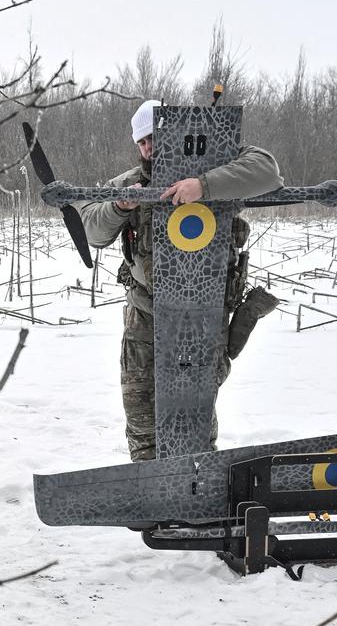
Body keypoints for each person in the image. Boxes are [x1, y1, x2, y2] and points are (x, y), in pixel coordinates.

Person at [79, 98, 285, 461]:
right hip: (146, 317)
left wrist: (204, 186)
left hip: (202, 318)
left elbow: (268, 172)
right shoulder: (130, 183)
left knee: (195, 416)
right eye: (141, 142)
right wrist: (120, 206)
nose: (148, 147)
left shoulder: (220, 165)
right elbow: (92, 232)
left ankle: (198, 484)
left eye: (153, 138)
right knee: (142, 418)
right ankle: (149, 486)